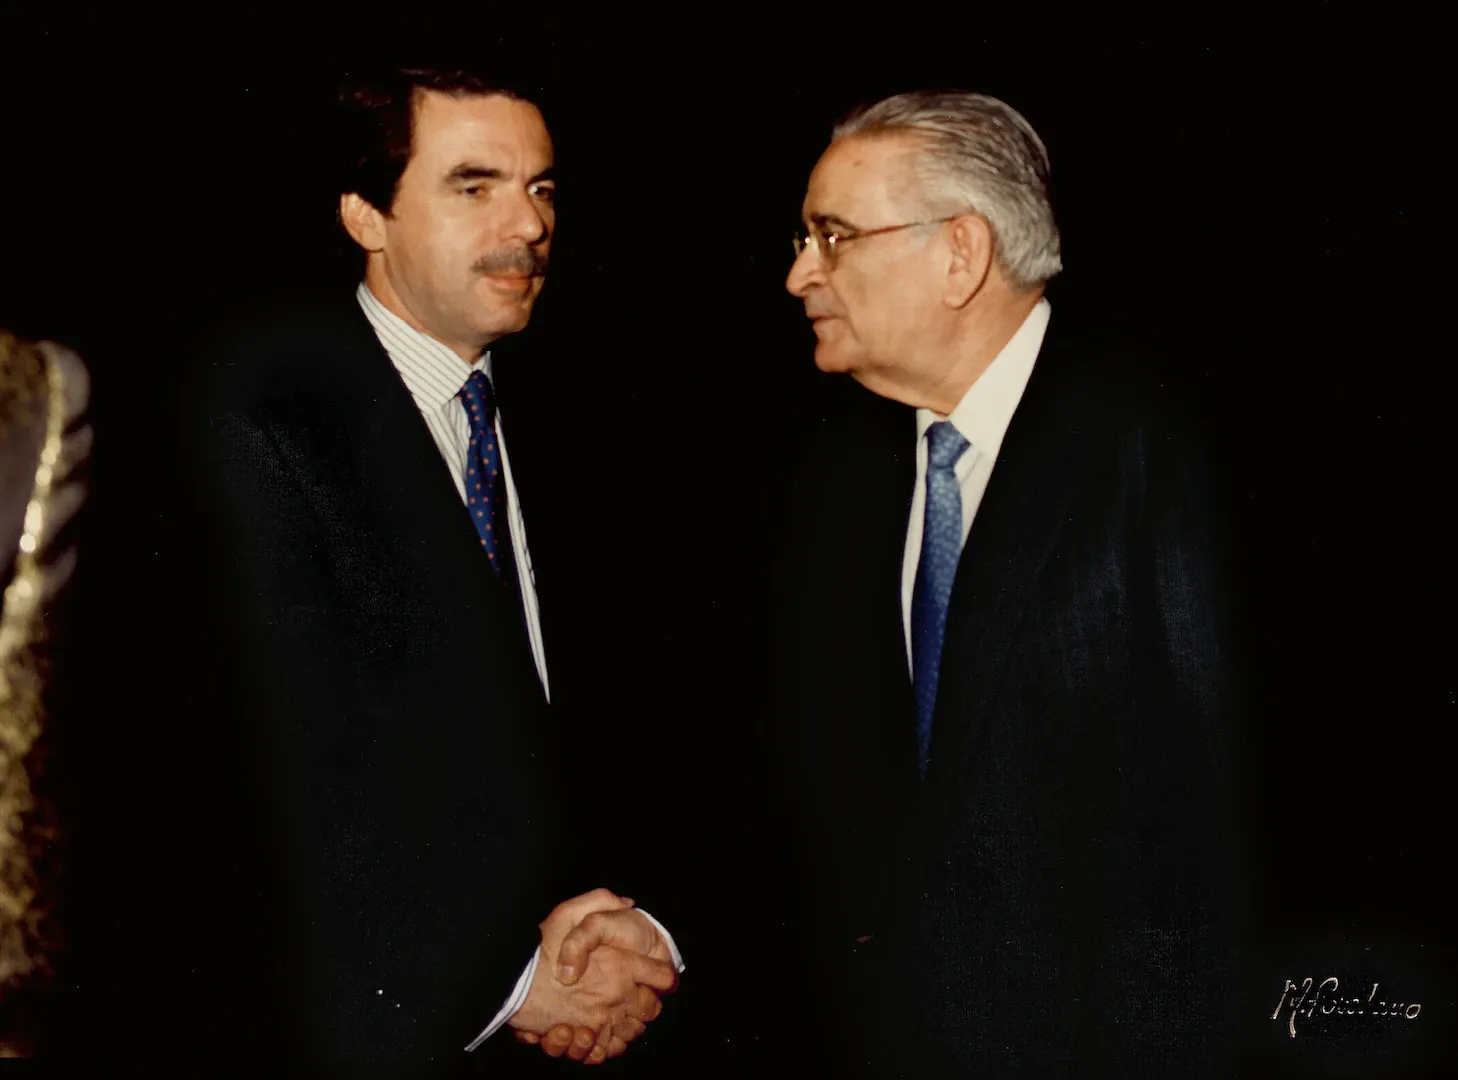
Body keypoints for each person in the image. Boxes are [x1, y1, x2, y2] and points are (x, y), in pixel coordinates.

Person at [184, 67, 683, 1068]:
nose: (529, 224)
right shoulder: (263, 426)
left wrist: (646, 940)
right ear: (366, 215)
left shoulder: (605, 419)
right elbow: (265, 799)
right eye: (475, 185)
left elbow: (657, 732)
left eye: (542, 188)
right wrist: (503, 984)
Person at [769, 90, 1244, 1074]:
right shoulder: (842, 484)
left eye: (832, 235)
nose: (797, 273)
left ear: (960, 253)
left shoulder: (1157, 448)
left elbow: (1231, 823)